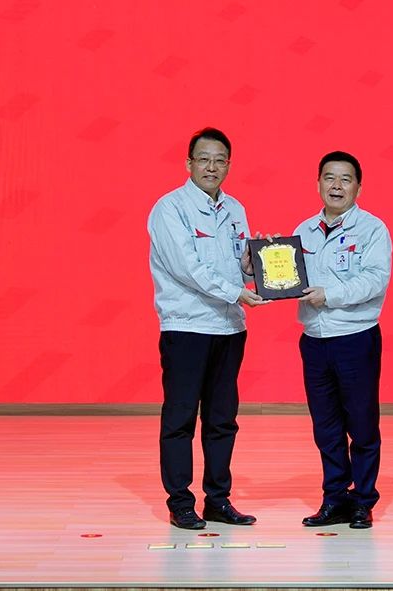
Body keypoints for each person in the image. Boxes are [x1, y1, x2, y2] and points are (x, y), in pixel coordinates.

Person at [147, 127, 268, 530]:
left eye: (220, 160)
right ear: (189, 163)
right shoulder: (170, 208)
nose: (211, 167)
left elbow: (239, 265)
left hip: (229, 328)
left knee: (222, 420)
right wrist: (237, 291)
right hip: (186, 327)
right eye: (204, 159)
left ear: (228, 165)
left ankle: (218, 500)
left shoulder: (235, 208)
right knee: (180, 418)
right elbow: (188, 268)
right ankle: (181, 502)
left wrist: (256, 266)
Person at [293, 151, 392, 529]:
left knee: (362, 424)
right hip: (314, 340)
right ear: (318, 183)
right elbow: (288, 278)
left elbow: (374, 280)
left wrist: (330, 295)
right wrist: (259, 267)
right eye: (329, 178)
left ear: (358, 187)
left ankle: (363, 500)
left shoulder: (372, 229)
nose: (336, 186)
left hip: (355, 337)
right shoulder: (303, 230)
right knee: (326, 427)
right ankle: (334, 497)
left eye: (345, 179)